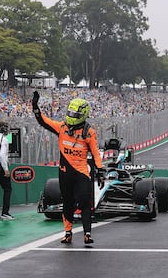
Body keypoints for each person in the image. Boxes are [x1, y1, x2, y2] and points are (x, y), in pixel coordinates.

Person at [31, 90, 105, 245]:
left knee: (85, 202)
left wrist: (100, 170)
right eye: (70, 113)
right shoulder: (62, 127)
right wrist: (35, 107)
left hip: (82, 173)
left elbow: (96, 153)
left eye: (76, 114)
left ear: (83, 115)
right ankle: (67, 233)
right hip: (65, 173)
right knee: (67, 203)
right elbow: (44, 122)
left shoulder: (89, 132)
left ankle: (87, 233)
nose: (72, 117)